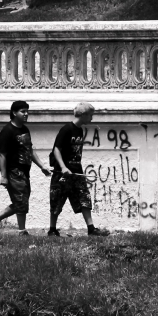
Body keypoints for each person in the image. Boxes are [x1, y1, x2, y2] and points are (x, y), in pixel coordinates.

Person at [48, 102, 110, 237]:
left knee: (84, 198)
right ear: (83, 115)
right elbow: (56, 149)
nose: (91, 119)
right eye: (90, 116)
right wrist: (63, 167)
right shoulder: (66, 129)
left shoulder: (80, 130)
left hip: (77, 171)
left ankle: (91, 229)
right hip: (63, 173)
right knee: (57, 199)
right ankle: (52, 229)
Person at [0, 100, 51, 235]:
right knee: (21, 201)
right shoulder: (7, 131)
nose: (26, 114)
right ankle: (21, 231)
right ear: (14, 113)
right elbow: (2, 155)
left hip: (24, 171)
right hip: (13, 171)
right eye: (23, 111)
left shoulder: (24, 129)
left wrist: (42, 166)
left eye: (27, 111)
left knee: (21, 201)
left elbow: (29, 149)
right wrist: (4, 176)